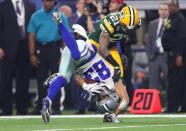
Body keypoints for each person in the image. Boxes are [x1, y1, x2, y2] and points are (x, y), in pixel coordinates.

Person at [41, 12, 129, 123]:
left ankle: (47, 100)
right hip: (88, 53)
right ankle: (60, 23)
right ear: (111, 96)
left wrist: (86, 86)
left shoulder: (94, 92)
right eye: (103, 98)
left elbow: (77, 77)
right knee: (77, 56)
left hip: (76, 64)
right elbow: (125, 100)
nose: (100, 97)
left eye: (99, 100)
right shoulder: (113, 83)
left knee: (64, 79)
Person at [27, 0, 70, 115]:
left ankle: (56, 108)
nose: (48, 3)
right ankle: (39, 108)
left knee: (57, 78)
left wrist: (65, 55)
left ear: (54, 2)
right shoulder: (36, 16)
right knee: (41, 79)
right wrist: (32, 54)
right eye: (46, 1)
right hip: (40, 48)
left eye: (51, 1)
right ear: (42, 2)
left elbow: (65, 35)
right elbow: (31, 35)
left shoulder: (60, 16)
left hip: (55, 49)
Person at [0, 0, 35, 115]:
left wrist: (33, 50)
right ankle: (6, 109)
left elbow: (33, 29)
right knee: (5, 80)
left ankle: (22, 108)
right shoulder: (2, 6)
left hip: (26, 48)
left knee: (23, 80)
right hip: (6, 48)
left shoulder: (30, 5)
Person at [162, 0, 186, 113]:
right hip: (171, 54)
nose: (169, 7)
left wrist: (180, 55)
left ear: (176, 6)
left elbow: (182, 39)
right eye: (168, 5)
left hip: (177, 54)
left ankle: (176, 106)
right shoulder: (171, 18)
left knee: (177, 82)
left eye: (171, 5)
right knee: (171, 81)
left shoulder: (180, 19)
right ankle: (172, 105)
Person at [146, 3, 168, 89]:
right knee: (153, 84)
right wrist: (149, 56)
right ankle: (153, 102)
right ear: (158, 11)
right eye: (161, 9)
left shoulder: (172, 23)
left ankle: (170, 102)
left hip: (166, 58)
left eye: (165, 10)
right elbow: (149, 42)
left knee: (169, 82)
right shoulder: (152, 24)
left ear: (168, 11)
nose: (163, 12)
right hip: (154, 58)